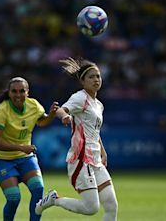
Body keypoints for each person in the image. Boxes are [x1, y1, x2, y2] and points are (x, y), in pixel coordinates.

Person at [35, 57, 118, 220]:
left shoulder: (99, 104)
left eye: (98, 76)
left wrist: (103, 151)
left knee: (111, 205)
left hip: (96, 160)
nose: (96, 80)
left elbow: (94, 131)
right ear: (82, 81)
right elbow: (60, 109)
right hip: (81, 159)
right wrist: (65, 116)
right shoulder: (80, 97)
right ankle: (54, 200)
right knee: (91, 208)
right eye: (91, 77)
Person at [0, 77, 59, 221]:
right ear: (9, 93)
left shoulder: (34, 106)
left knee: (38, 188)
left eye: (22, 91)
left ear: (27, 92)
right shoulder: (2, 111)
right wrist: (21, 147)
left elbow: (41, 121)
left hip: (25, 158)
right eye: (14, 91)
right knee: (14, 198)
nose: (18, 95)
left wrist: (51, 115)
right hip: (2, 159)